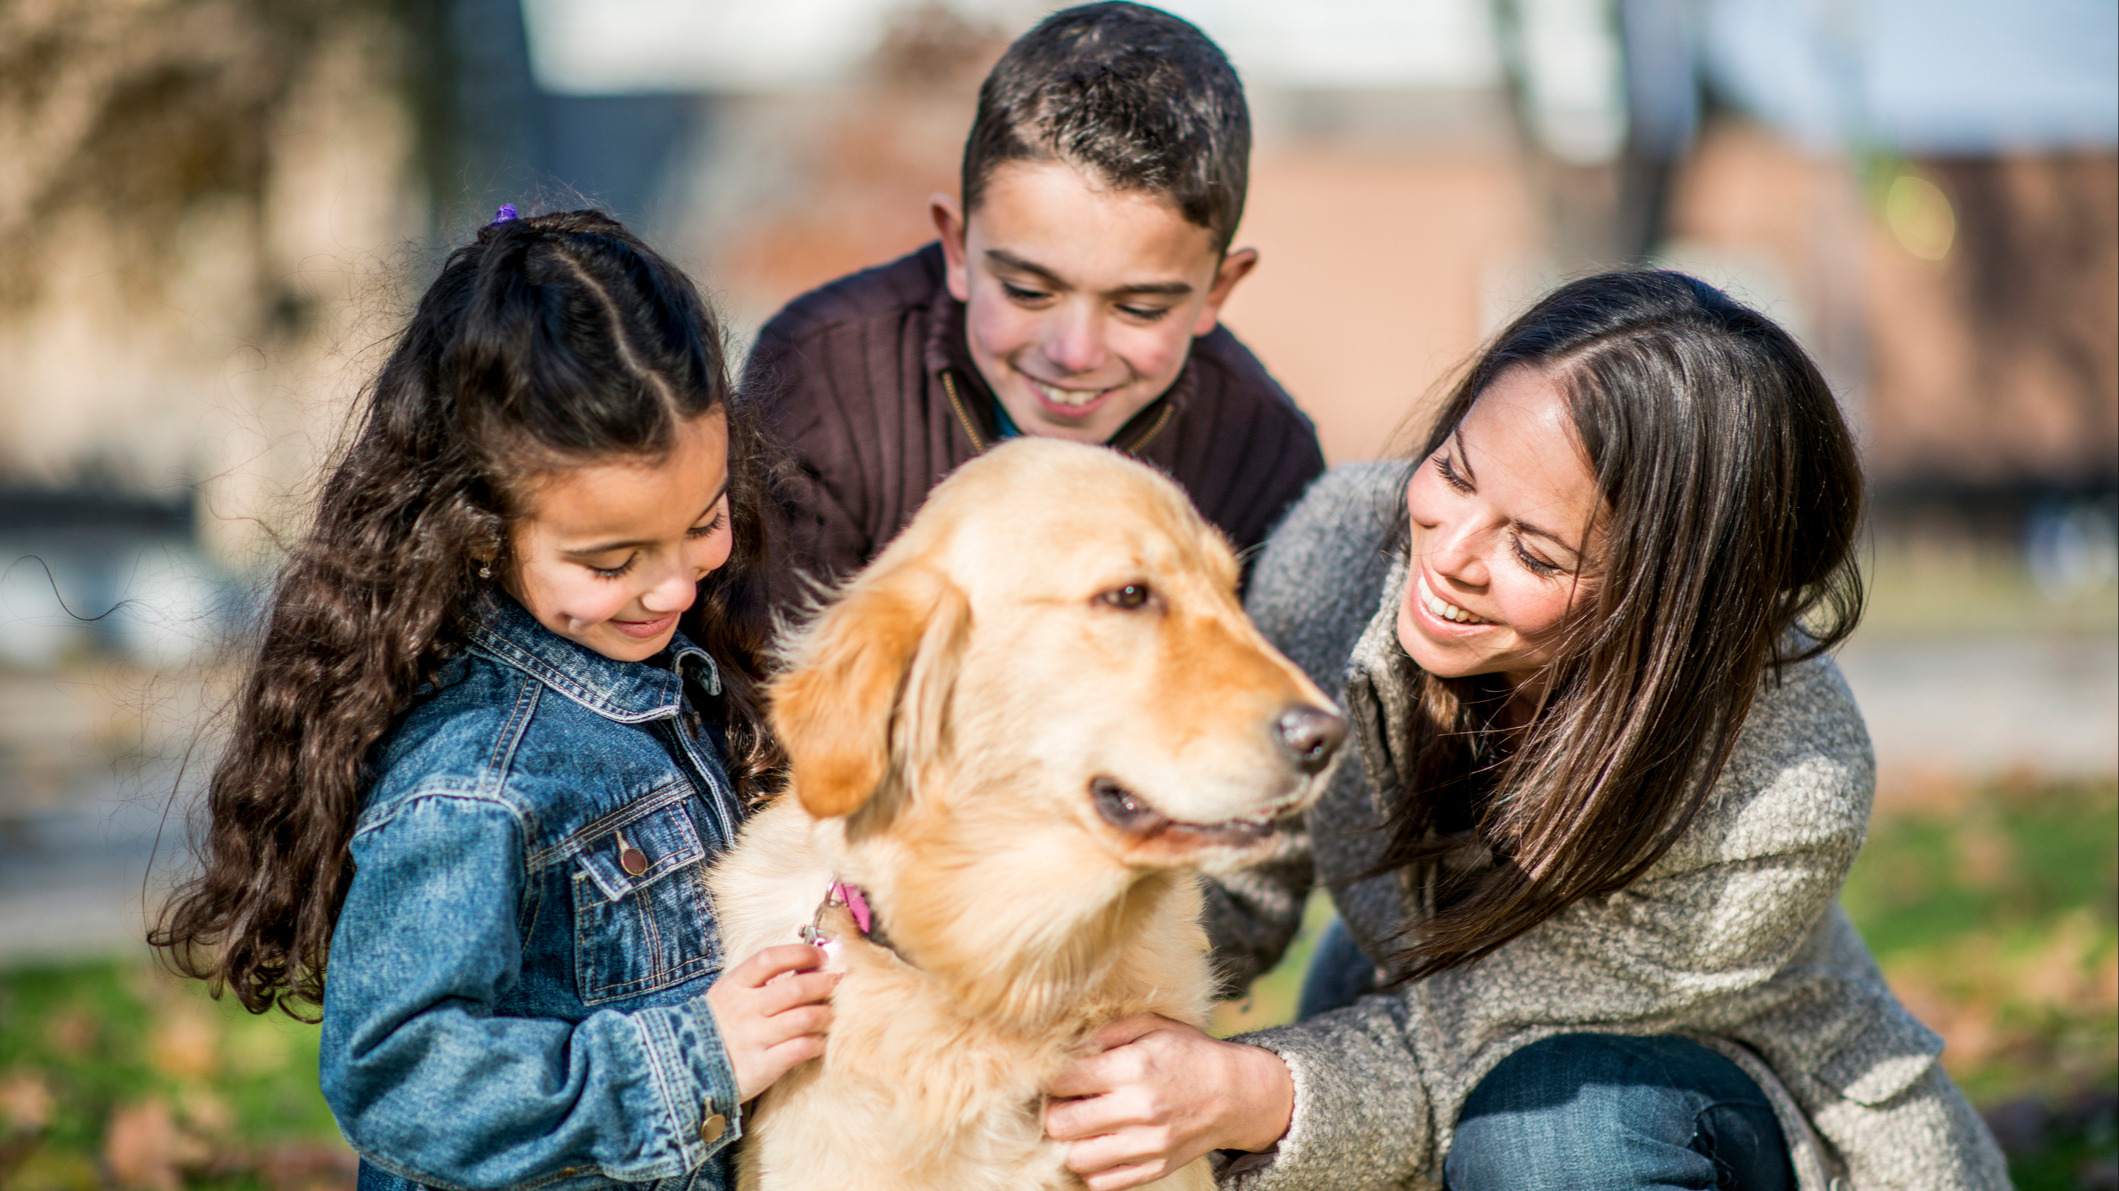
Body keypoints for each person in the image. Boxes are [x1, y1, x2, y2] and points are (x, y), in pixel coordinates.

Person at [1040, 272, 2011, 1190]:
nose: (1450, 555)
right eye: (1454, 473)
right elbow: (1235, 884)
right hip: (1422, 1066)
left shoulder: (1783, 772)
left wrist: (1245, 1092)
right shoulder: (1336, 557)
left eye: (1533, 550)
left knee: (1553, 1127)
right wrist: (1032, 986)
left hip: (1728, 1110)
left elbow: (1481, 1031)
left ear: (1665, 598)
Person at [151, 209, 834, 1190]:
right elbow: (401, 1082)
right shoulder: (475, 778)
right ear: (477, 528)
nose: (675, 587)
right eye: (610, 560)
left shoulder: (656, 674)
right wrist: (702, 1056)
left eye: (703, 521)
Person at [744, 1, 1325, 584]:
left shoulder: (1266, 456)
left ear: (1217, 290)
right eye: (1026, 291)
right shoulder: (820, 375)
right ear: (957, 248)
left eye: (1139, 308)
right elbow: (782, 669)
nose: (1074, 353)